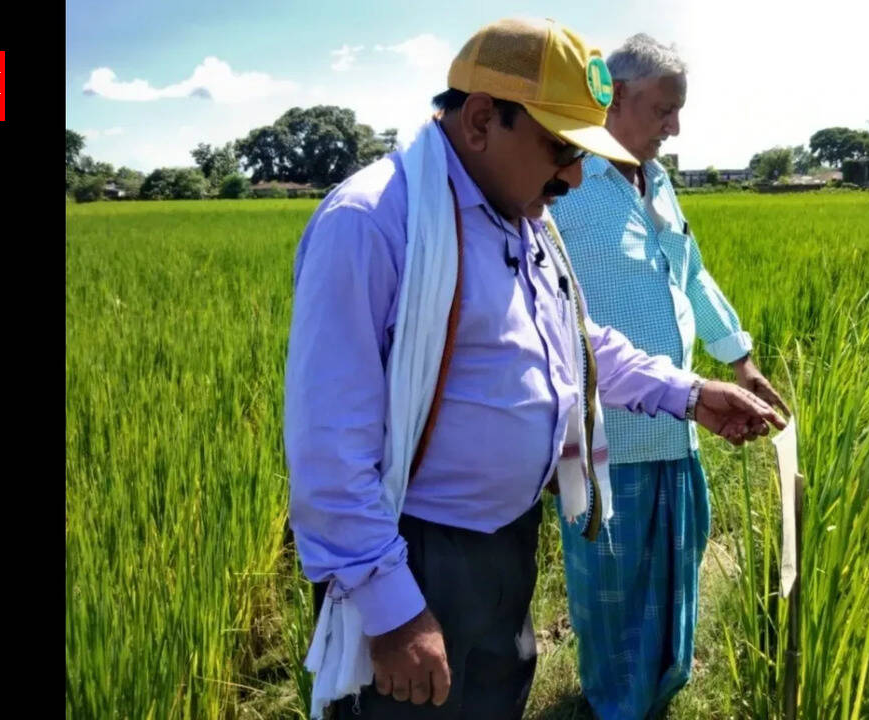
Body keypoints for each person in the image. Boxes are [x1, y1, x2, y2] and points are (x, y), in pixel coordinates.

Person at [283, 18, 785, 720]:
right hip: (419, 557)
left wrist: (689, 392)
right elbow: (327, 445)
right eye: (560, 148)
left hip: (507, 543)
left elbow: (577, 343)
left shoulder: (522, 217)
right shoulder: (374, 222)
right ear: (484, 119)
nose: (575, 176)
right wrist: (392, 610)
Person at [548, 33, 788, 719]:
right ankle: (616, 704)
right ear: (616, 97)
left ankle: (662, 690)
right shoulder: (564, 184)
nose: (674, 126)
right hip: (602, 436)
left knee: (678, 564)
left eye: (678, 111)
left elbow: (693, 271)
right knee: (612, 585)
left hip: (676, 418)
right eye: (663, 109)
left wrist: (739, 355)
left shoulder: (656, 181)